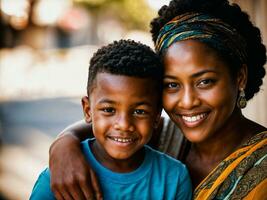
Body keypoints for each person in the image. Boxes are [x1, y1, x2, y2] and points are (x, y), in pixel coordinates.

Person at [49, 0, 267, 199]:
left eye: (205, 82)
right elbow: (110, 123)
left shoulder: (262, 167)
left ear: (240, 77)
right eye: (172, 85)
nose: (187, 101)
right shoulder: (166, 137)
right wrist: (64, 145)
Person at [30, 40, 192, 200]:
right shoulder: (63, 176)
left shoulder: (174, 178)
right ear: (87, 110)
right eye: (109, 110)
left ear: (157, 116)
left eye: (139, 111)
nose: (124, 124)